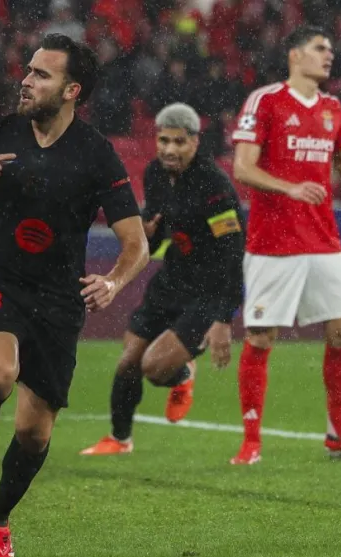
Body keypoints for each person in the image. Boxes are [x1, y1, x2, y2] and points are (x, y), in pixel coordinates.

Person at [0, 33, 148, 557]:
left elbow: (135, 243)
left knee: (34, 434)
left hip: (59, 300)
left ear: (72, 90)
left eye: (42, 75)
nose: (26, 80)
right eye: (28, 70)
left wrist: (113, 281)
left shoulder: (96, 155)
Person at [230, 26, 341, 465]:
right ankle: (251, 441)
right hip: (273, 243)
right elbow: (243, 168)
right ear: (295, 55)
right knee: (261, 336)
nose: (329, 55)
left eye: (330, 49)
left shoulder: (331, 108)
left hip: (323, 239)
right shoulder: (265, 100)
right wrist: (289, 188)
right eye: (319, 48)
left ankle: (339, 435)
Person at [80, 103, 245, 456]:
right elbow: (155, 233)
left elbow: (233, 254)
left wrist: (224, 318)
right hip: (171, 281)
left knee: (154, 368)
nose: (170, 149)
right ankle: (120, 440)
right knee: (128, 363)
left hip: (207, 291)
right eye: (164, 140)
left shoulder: (214, 186)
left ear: (195, 143)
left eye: (179, 142)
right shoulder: (155, 173)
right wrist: (151, 234)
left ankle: (183, 373)